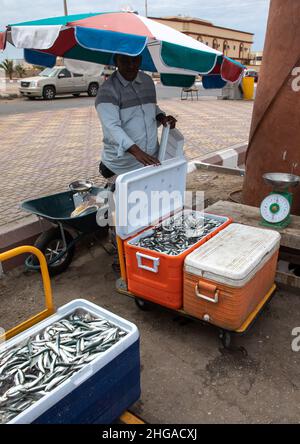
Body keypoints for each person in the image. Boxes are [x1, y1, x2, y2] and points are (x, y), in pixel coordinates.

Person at [95, 54, 177, 270]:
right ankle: (119, 256)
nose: (131, 66)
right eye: (125, 61)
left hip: (149, 160)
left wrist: (162, 118)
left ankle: (142, 247)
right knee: (121, 212)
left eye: (135, 60)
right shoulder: (107, 91)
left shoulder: (148, 82)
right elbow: (112, 128)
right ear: (115, 61)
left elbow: (152, 109)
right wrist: (135, 151)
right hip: (121, 164)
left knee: (145, 207)